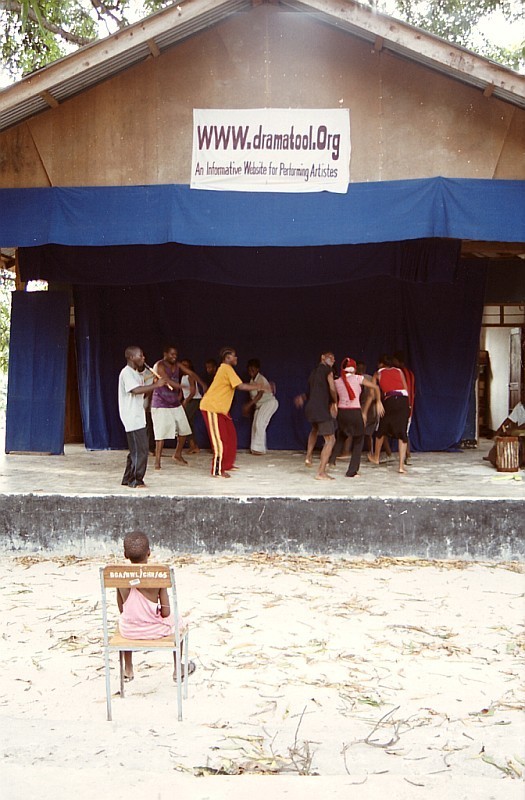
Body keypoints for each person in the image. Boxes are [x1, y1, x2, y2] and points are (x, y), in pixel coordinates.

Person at [117, 530, 195, 682]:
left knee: (125, 620)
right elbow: (166, 613)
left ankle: (128, 668)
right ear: (149, 552)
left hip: (129, 631)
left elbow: (122, 610)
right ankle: (177, 669)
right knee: (179, 622)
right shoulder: (158, 575)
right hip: (154, 630)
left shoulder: (119, 576)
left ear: (125, 555)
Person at [199, 346, 272, 477]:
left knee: (231, 436)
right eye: (234, 356)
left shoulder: (228, 369)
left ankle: (227, 464)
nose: (236, 358)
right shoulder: (225, 368)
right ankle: (217, 470)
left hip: (221, 410)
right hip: (212, 407)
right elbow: (240, 386)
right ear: (227, 358)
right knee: (219, 440)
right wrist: (261, 386)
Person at [151, 345, 206, 470]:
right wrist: (184, 387)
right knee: (160, 434)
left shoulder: (177, 365)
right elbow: (167, 380)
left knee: (184, 429)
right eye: (171, 354)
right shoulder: (159, 365)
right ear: (165, 354)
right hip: (160, 403)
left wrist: (202, 384)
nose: (174, 357)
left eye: (175, 354)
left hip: (174, 403)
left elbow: (190, 372)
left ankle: (177, 454)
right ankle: (157, 461)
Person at [118, 346, 166, 488]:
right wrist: (156, 385)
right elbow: (135, 390)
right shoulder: (126, 373)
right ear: (132, 357)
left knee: (136, 449)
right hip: (131, 416)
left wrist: (152, 383)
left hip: (138, 416)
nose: (143, 358)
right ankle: (136, 480)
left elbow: (142, 394)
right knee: (141, 450)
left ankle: (128, 478)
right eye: (141, 355)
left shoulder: (137, 374)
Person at [329, 357, 384, 478]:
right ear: (354, 369)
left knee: (342, 435)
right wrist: (379, 401)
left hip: (342, 412)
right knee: (359, 439)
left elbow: (332, 393)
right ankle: (352, 471)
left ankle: (331, 460)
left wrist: (333, 403)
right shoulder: (358, 378)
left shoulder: (337, 381)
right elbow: (375, 387)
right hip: (354, 412)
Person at [295, 351, 337, 480]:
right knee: (330, 440)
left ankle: (308, 456)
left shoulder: (313, 373)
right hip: (320, 409)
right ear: (322, 358)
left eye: (334, 358)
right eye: (329, 357)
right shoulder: (327, 370)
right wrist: (335, 402)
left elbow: (312, 390)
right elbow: (332, 388)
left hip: (311, 408)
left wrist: (303, 397)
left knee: (315, 429)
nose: (332, 360)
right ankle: (321, 472)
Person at [368, 355, 410, 474]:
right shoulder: (399, 371)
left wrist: (378, 401)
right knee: (402, 433)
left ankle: (376, 457)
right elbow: (405, 388)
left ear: (381, 364)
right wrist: (408, 405)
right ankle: (401, 466)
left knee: (381, 429)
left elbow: (373, 391)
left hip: (390, 399)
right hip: (403, 400)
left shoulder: (378, 373)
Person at [243, 358, 279, 455]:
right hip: (260, 406)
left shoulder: (261, 379)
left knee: (260, 423)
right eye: (249, 369)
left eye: (253, 369)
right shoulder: (251, 381)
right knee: (255, 425)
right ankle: (255, 448)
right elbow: (254, 397)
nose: (251, 371)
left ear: (258, 369)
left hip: (269, 403)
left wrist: (248, 406)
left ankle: (260, 449)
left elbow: (259, 395)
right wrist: (249, 407)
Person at [392, 350, 416, 464]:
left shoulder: (399, 373)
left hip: (403, 406)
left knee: (403, 433)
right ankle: (407, 455)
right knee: (405, 431)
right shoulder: (410, 373)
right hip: (410, 406)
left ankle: (407, 456)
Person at [180, 358, 202, 454]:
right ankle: (193, 445)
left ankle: (193, 446)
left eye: (186, 365)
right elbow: (182, 391)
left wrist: (185, 401)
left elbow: (193, 392)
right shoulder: (183, 377)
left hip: (193, 400)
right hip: (188, 400)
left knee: (186, 422)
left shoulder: (190, 376)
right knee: (189, 423)